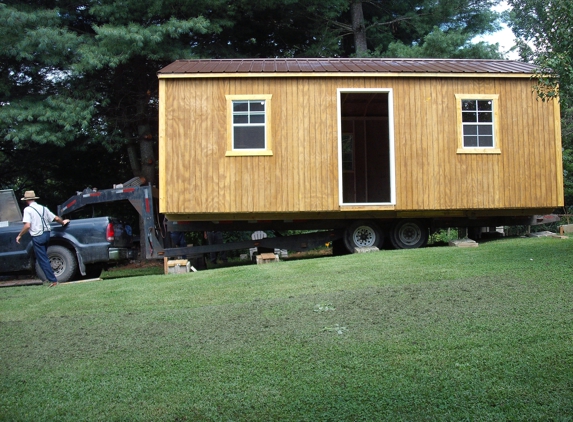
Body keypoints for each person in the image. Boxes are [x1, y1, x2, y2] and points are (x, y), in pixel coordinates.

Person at [16, 191, 70, 287]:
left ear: (26, 200)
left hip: (37, 236)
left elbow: (27, 225)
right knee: (44, 257)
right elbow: (56, 218)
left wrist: (20, 235)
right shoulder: (43, 208)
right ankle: (51, 279)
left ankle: (53, 280)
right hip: (46, 234)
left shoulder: (28, 210)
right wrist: (63, 222)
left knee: (42, 259)